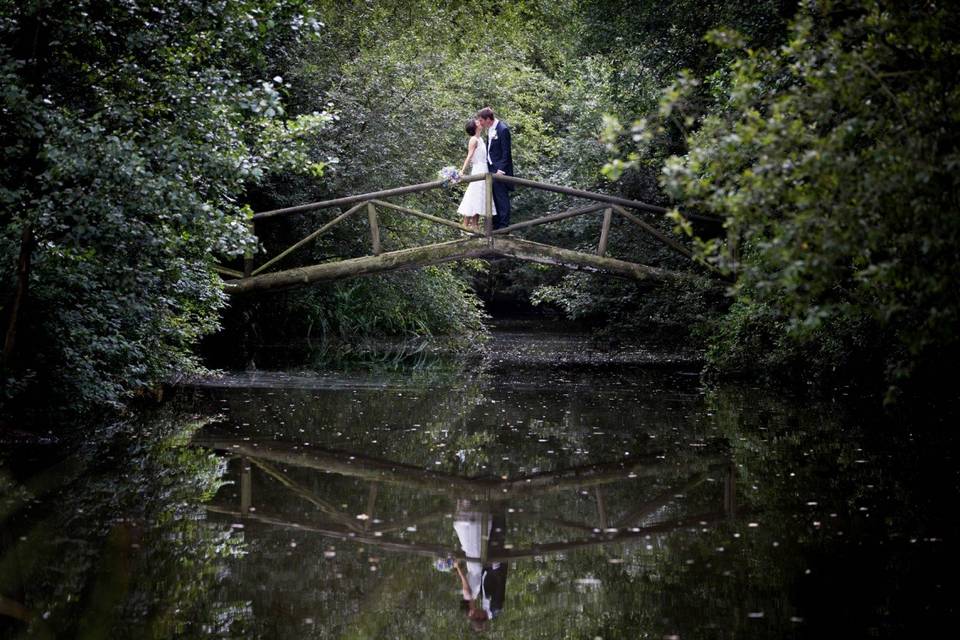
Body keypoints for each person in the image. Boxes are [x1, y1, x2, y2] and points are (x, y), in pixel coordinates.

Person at [475, 107, 514, 229]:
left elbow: (506, 152)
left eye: (481, 120)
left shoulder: (503, 129)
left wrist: (501, 170)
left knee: (501, 197)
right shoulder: (490, 129)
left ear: (488, 119)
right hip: (490, 168)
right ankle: (495, 225)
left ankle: (503, 227)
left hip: (500, 170)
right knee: (493, 197)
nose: (480, 123)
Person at [456, 118, 496, 231]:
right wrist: (462, 171)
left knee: (480, 197)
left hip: (485, 169)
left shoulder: (481, 139)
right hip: (478, 169)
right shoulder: (473, 140)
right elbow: (469, 156)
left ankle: (475, 225)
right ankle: (467, 226)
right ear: (474, 127)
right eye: (477, 122)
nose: (480, 122)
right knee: (474, 195)